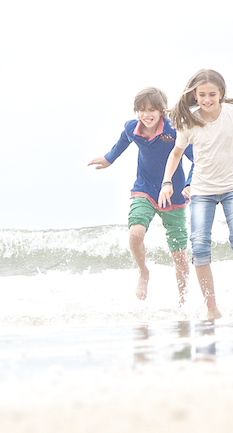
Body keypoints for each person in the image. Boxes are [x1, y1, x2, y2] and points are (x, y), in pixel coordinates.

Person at [158, 69, 233, 320]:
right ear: (194, 95)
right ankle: (212, 308)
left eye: (212, 94)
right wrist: (166, 182)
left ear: (221, 93)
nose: (207, 99)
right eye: (202, 95)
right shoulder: (190, 121)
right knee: (199, 248)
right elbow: (176, 153)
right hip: (202, 191)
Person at [88, 87, 195, 302]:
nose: (147, 115)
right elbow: (122, 142)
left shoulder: (173, 130)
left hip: (174, 194)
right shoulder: (132, 128)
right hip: (144, 188)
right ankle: (143, 272)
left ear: (162, 111)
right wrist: (109, 158)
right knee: (135, 233)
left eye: (152, 110)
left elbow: (196, 158)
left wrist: (190, 183)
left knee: (179, 255)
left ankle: (183, 301)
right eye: (142, 110)